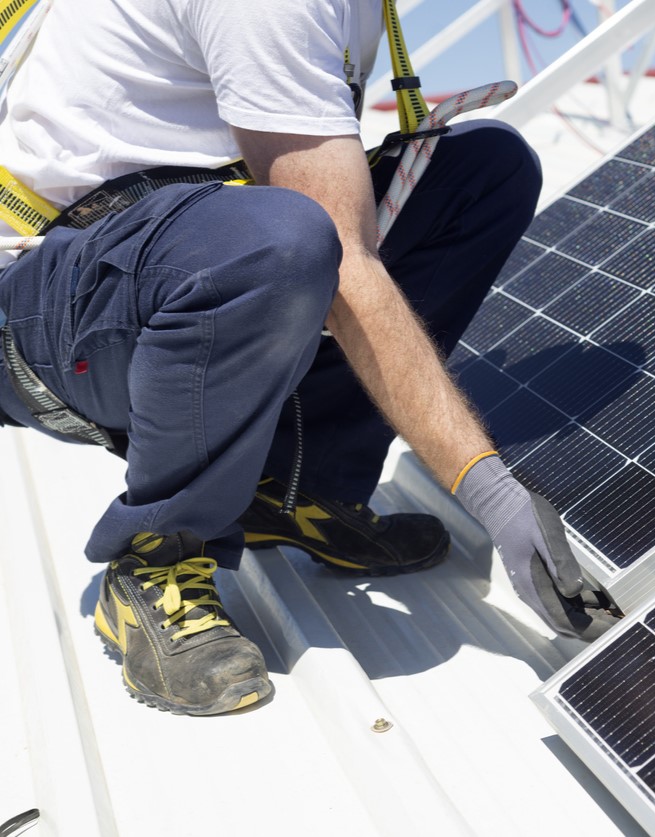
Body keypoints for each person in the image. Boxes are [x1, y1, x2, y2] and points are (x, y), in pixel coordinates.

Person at [0, 0, 620, 716]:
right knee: (286, 240)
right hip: (47, 300)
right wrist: (494, 495)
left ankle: (295, 485)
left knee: (485, 171)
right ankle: (158, 554)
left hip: (170, 255)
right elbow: (338, 252)